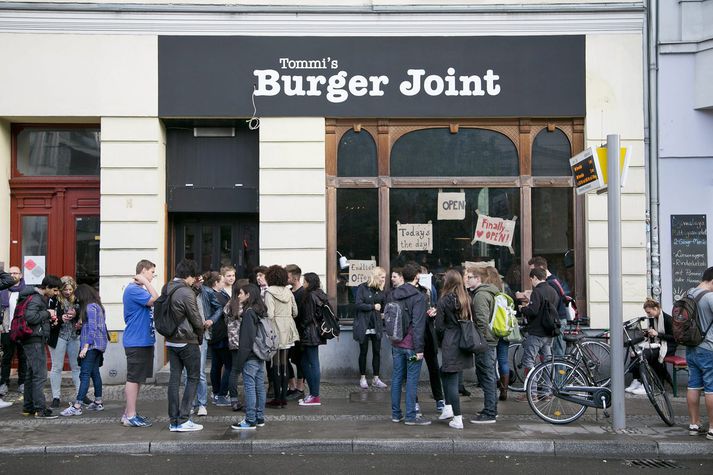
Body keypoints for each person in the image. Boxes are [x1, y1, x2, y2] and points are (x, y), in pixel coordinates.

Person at [389, 262, 430, 426]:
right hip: (412, 347)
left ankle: (395, 414)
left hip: (397, 344)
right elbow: (418, 325)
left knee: (397, 378)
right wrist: (419, 349)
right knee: (412, 380)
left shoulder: (393, 294)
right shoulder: (418, 297)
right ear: (417, 277)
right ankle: (411, 416)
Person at [121, 259, 159, 427]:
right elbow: (155, 299)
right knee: (133, 378)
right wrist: (144, 282)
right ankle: (130, 415)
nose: (153, 276)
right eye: (151, 272)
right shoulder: (133, 290)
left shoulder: (137, 290)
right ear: (143, 270)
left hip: (143, 340)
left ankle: (129, 412)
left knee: (138, 379)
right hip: (136, 340)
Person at [60, 284, 108, 416]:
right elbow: (96, 325)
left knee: (84, 374)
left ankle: (77, 406)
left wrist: (85, 347)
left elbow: (92, 328)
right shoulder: (97, 305)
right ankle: (98, 402)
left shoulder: (90, 307)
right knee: (94, 373)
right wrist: (81, 325)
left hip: (92, 345)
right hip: (99, 344)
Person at [435, 269, 474, 429]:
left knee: (450, 380)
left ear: (448, 282)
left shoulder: (444, 300)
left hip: (450, 341)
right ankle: (448, 408)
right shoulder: (466, 299)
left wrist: (442, 340)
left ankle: (457, 418)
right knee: (446, 372)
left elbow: (439, 326)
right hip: (464, 340)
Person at [19, 274, 62, 419]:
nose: (56, 293)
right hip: (34, 340)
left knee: (31, 374)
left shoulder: (36, 297)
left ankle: (28, 407)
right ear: (47, 287)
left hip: (32, 339)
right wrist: (47, 313)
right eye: (55, 290)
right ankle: (40, 409)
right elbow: (30, 317)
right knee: (40, 375)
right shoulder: (37, 298)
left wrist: (48, 319)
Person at [231, 283, 268, 430]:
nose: (238, 296)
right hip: (260, 353)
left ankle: (250, 419)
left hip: (250, 355)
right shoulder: (260, 310)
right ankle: (259, 417)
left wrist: (239, 362)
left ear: (248, 295)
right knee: (259, 387)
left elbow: (246, 340)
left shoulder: (249, 313)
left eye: (240, 293)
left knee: (250, 387)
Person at [516, 267, 559, 387]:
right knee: (547, 362)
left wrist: (523, 308)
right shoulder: (552, 290)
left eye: (531, 279)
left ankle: (532, 392)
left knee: (529, 361)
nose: (531, 282)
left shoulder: (537, 291)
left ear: (535, 277)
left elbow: (533, 311)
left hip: (536, 332)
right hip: (549, 332)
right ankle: (547, 391)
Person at [264, 265, 299, 408]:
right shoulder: (288, 292)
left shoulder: (269, 292)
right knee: (284, 365)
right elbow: (295, 312)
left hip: (275, 329)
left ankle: (277, 399)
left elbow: (270, 314)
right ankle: (283, 398)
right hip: (288, 329)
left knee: (275, 365)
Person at [626, 298, 676, 395]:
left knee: (644, 355)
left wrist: (657, 334)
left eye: (649, 312)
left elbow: (674, 338)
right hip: (657, 344)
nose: (648, 315)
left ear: (656, 308)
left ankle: (646, 385)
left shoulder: (668, 319)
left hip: (668, 346)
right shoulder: (653, 319)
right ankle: (637, 380)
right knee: (635, 352)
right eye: (647, 313)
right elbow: (653, 335)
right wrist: (647, 334)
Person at [468, 266, 499, 424]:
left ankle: (489, 412)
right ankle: (492, 408)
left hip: (485, 342)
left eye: (470, 277)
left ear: (478, 279)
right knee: (490, 375)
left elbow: (482, 322)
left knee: (487, 376)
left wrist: (480, 341)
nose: (467, 280)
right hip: (490, 341)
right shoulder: (490, 292)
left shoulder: (480, 296)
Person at [685, 266, 713, 440]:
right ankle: (712, 428)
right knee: (711, 388)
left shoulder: (689, 293)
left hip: (690, 346)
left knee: (693, 385)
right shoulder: (709, 297)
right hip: (708, 347)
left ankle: (694, 424)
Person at [48, 276, 81, 409]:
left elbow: (83, 313)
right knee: (57, 367)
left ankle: (80, 394)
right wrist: (61, 318)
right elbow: (50, 319)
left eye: (70, 289)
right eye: (65, 289)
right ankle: (56, 397)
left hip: (73, 335)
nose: (67, 292)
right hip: (59, 336)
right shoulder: (54, 300)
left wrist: (76, 314)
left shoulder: (77, 298)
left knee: (77, 367)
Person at [297, 272, 328, 406]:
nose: (303, 284)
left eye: (304, 281)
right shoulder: (320, 293)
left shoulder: (310, 295)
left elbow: (308, 317)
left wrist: (300, 327)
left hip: (310, 333)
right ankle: (313, 394)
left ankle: (315, 395)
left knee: (312, 362)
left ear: (309, 282)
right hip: (316, 332)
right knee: (305, 361)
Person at [528, 257, 569, 357]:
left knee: (557, 352)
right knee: (553, 351)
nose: (532, 274)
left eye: (533, 270)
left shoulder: (550, 283)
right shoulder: (553, 281)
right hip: (557, 319)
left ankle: (559, 372)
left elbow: (549, 303)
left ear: (541, 268)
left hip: (556, 320)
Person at [354, 267, 387, 389]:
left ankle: (376, 378)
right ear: (376, 276)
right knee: (363, 352)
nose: (384, 279)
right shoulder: (362, 287)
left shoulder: (381, 290)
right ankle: (362, 378)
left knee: (377, 352)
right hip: (364, 324)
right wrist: (372, 307)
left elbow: (383, 306)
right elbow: (358, 305)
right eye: (382, 277)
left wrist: (383, 292)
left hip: (376, 325)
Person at [202, 271, 231, 407]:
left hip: (215, 334)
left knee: (216, 365)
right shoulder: (216, 295)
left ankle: (215, 392)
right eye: (221, 280)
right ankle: (221, 394)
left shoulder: (216, 293)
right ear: (216, 283)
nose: (224, 282)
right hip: (221, 334)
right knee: (228, 365)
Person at [485, 266, 511, 401]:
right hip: (503, 327)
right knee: (503, 359)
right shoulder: (504, 286)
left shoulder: (486, 289)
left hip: (491, 328)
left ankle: (490, 387)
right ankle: (504, 390)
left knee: (489, 359)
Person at [0, 266, 26, 404]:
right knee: (6, 357)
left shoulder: (25, 290)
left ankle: (22, 383)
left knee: (23, 357)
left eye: (15, 273)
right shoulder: (4, 290)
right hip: (7, 328)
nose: (12, 275)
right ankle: (3, 382)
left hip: (21, 330)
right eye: (10, 273)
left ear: (20, 275)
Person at [285, 264, 306, 400]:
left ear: (295, 277)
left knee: (300, 361)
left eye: (287, 276)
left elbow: (302, 314)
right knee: (286, 359)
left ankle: (300, 388)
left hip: (300, 332)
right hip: (288, 332)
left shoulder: (303, 293)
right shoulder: (289, 291)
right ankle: (292, 386)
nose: (286, 278)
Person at [225, 280, 244, 412]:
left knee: (234, 371)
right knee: (245, 371)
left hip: (233, 342)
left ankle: (234, 399)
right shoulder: (244, 305)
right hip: (244, 342)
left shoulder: (230, 304)